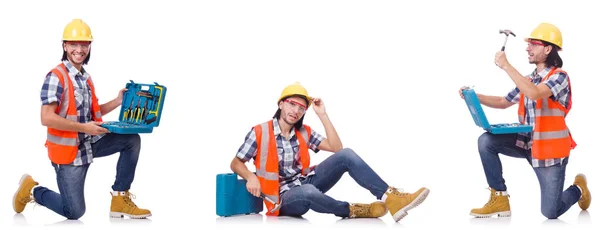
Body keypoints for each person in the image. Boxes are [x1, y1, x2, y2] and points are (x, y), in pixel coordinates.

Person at [230, 82, 430, 222]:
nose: (296, 111)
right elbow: (236, 162)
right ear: (281, 103)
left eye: (301, 108)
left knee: (347, 155)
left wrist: (323, 115)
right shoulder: (260, 132)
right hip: (283, 199)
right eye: (292, 103)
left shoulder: (304, 131)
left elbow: (337, 149)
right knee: (308, 192)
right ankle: (352, 210)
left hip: (306, 181)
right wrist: (250, 176)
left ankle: (390, 198)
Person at [12, 19, 151, 220]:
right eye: (74, 44)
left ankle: (120, 199)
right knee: (74, 212)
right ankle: (32, 190)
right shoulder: (56, 76)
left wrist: (118, 101)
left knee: (131, 140)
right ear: (65, 46)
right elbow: (46, 118)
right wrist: (84, 127)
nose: (79, 49)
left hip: (88, 145)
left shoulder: (85, 78)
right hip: (68, 153)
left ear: (89, 47)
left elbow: (91, 115)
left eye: (84, 44)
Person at [459, 22, 591, 219]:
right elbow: (504, 101)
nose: (527, 47)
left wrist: (506, 65)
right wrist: (474, 96)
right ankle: (500, 199)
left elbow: (535, 93)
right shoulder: (528, 80)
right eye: (528, 43)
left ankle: (578, 189)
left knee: (550, 212)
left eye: (533, 44)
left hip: (549, 153)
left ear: (547, 49)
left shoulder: (560, 77)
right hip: (527, 144)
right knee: (486, 141)